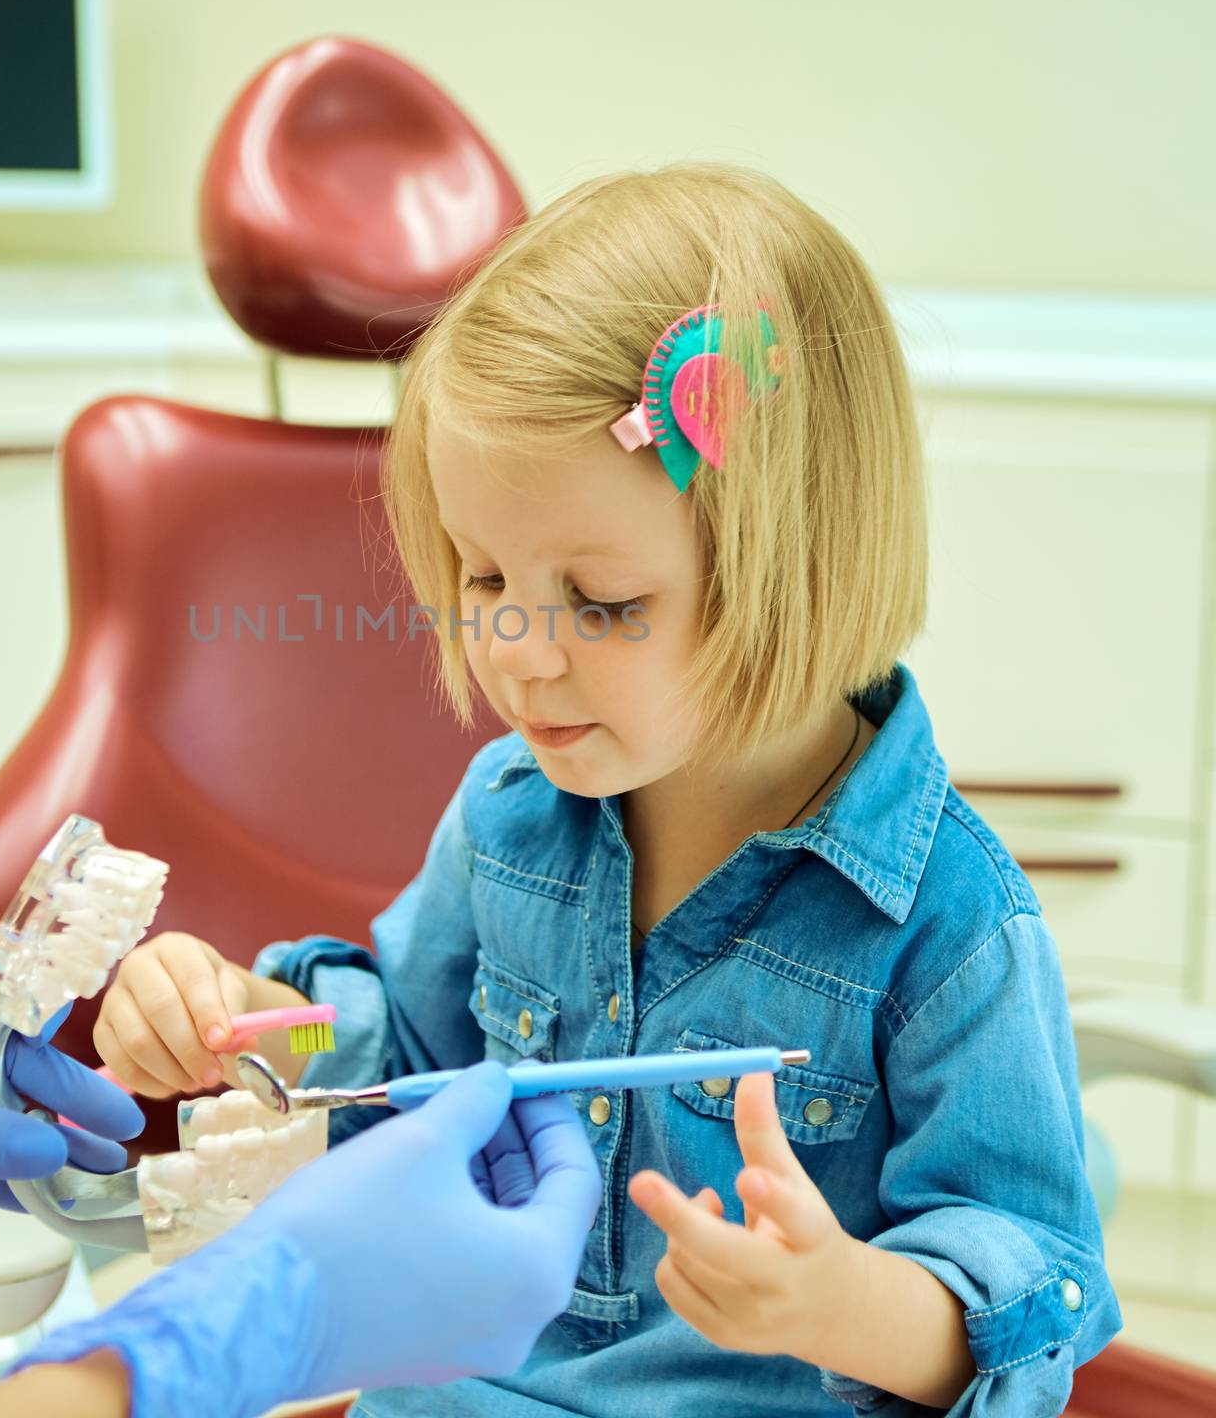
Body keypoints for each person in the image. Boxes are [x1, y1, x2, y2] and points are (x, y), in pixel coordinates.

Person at [95, 162, 1123, 1417]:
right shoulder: (509, 821)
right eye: (482, 581)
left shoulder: (948, 929)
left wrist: (836, 1301)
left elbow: (1034, 1292)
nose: (516, 648)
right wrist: (246, 1020)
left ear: (787, 569)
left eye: (601, 603)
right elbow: (400, 1068)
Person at [0, 937, 600, 1417]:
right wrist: (259, 1015)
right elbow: (372, 1042)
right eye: (479, 580)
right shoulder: (502, 809)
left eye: (606, 604)